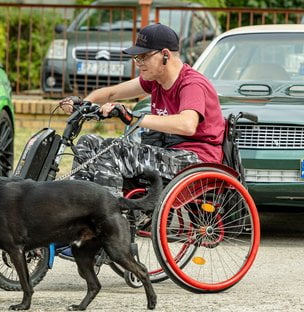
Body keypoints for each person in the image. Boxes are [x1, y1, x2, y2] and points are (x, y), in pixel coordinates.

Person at [60, 23, 225, 197]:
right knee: (88, 142)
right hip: (167, 151)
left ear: (165, 55)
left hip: (195, 160)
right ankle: (81, 206)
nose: (139, 63)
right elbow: (112, 93)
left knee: (114, 150)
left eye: (143, 57)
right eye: (136, 58)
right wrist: (82, 103)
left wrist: (132, 117)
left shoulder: (191, 84)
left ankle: (110, 217)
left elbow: (187, 124)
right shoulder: (156, 80)